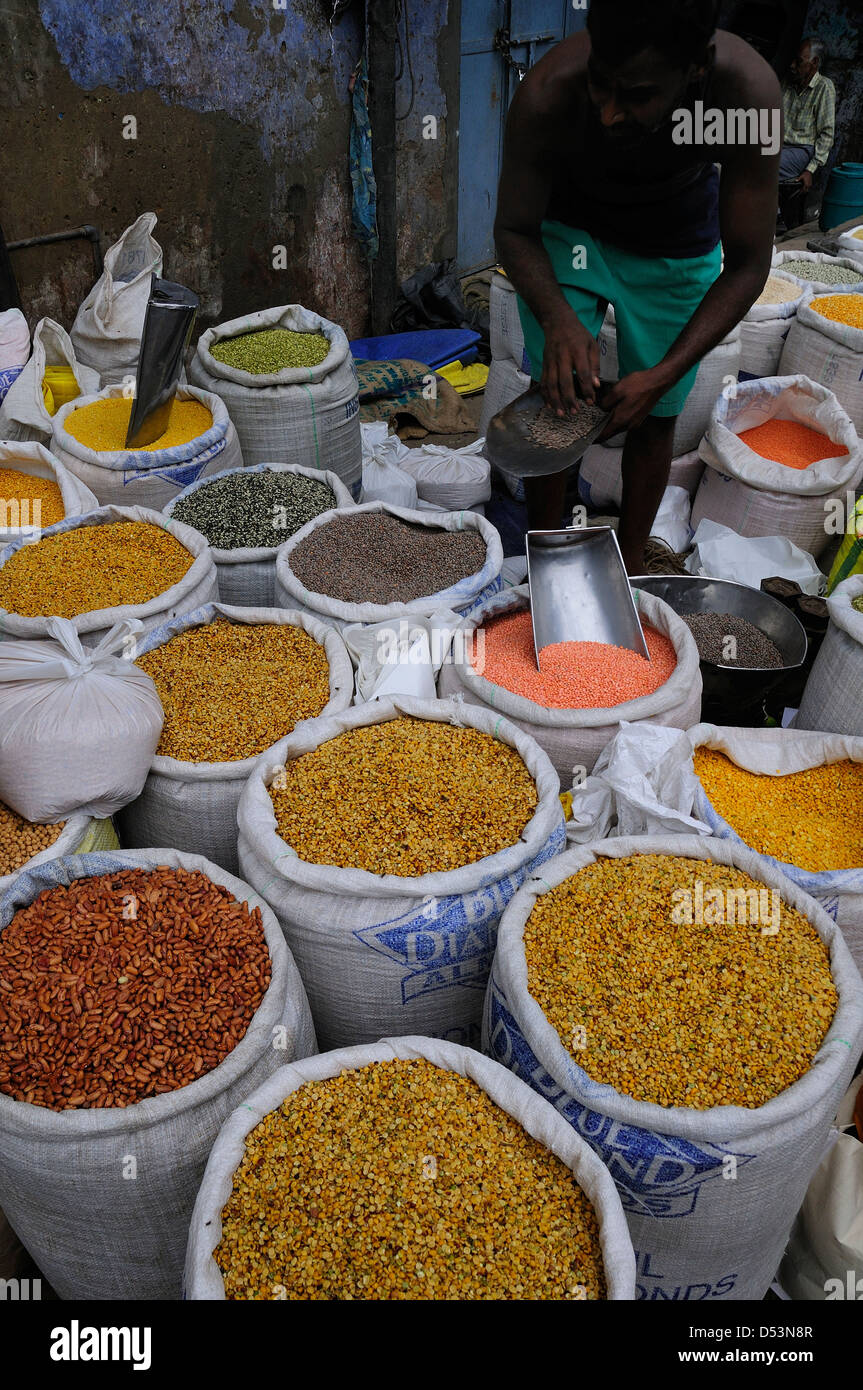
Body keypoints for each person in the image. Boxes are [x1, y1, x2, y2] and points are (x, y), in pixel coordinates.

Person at [493, 0, 780, 573]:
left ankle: (628, 568)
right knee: (559, 397)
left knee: (656, 413)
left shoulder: (747, 96)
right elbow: (514, 230)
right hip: (568, 228)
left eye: (638, 95)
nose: (608, 113)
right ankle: (548, 560)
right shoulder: (548, 92)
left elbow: (748, 264)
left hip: (674, 241)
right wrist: (556, 317)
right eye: (603, 84)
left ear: (695, 69)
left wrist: (663, 374)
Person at [780, 37, 835, 193]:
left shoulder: (824, 87)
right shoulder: (787, 82)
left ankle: (772, 214)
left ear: (815, 62)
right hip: (778, 145)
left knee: (763, 164)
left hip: (801, 150)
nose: (792, 65)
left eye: (798, 62)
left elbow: (827, 135)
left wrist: (810, 169)